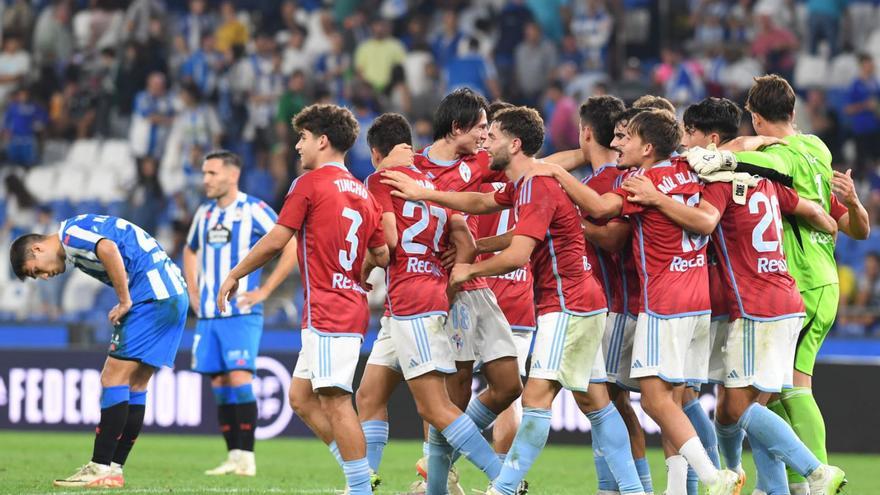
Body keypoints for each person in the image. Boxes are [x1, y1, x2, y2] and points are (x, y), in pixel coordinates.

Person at [382, 106, 645, 495]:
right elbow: (482, 203)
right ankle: (636, 491)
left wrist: (470, 269)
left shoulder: (537, 185)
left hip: (567, 302)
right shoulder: (524, 184)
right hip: (580, 301)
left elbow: (519, 254)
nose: (485, 142)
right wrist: (428, 195)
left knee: (537, 397)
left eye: (494, 136)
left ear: (515, 143)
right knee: (596, 403)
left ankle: (504, 487)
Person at [523, 109, 742, 494]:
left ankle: (713, 477)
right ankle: (679, 489)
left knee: (656, 401)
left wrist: (558, 175)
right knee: (676, 398)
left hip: (662, 302)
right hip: (699, 301)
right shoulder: (690, 169)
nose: (619, 143)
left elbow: (603, 209)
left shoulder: (644, 181)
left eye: (628, 137)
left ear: (649, 147)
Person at [645, 95, 850, 495]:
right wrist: (828, 221)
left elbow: (705, 221)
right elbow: (810, 208)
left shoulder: (717, 178)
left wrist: (657, 197)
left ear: (712, 138)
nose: (685, 142)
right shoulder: (764, 178)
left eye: (690, 133)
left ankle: (814, 470)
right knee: (748, 405)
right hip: (787, 298)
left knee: (740, 408)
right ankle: (772, 488)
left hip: (755, 305)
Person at [687, 75, 871, 495]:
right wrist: (855, 205)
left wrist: (729, 151)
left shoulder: (783, 160)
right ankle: (786, 484)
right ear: (793, 112)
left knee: (789, 387)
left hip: (799, 280)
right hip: (822, 280)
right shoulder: (817, 150)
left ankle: (814, 475)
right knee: (777, 390)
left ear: (754, 117)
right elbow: (854, 228)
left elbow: (748, 158)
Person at [216, 104, 387, 495]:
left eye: (303, 137)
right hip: (344, 307)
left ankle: (360, 487)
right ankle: (359, 475)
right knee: (300, 397)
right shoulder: (362, 191)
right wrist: (358, 274)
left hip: (330, 309)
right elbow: (382, 254)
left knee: (335, 401)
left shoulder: (308, 184)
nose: (297, 146)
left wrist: (235, 274)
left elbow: (278, 239)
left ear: (322, 140)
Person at [356, 112, 504, 490]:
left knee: (434, 407)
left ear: (375, 153)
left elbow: (387, 245)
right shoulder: (431, 182)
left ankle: (504, 478)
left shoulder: (379, 179)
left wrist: (364, 266)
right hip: (423, 299)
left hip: (411, 299)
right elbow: (464, 242)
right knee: (369, 393)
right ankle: (364, 482)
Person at [10, 214, 187, 488]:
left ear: (37, 249)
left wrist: (124, 300)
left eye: (37, 270)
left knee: (112, 378)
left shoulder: (69, 236)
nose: (45, 277)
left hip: (150, 294)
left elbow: (108, 248)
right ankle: (113, 469)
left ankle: (100, 466)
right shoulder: (77, 238)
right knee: (136, 384)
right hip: (173, 293)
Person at [183, 150, 298, 477]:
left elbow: (288, 243)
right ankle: (233, 454)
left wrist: (265, 290)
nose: (205, 179)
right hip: (207, 314)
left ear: (232, 175)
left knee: (238, 377)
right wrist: (193, 289)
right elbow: (190, 249)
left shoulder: (254, 209)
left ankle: (247, 457)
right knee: (219, 382)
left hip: (240, 313)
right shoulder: (204, 214)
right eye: (204, 173)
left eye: (212, 173)